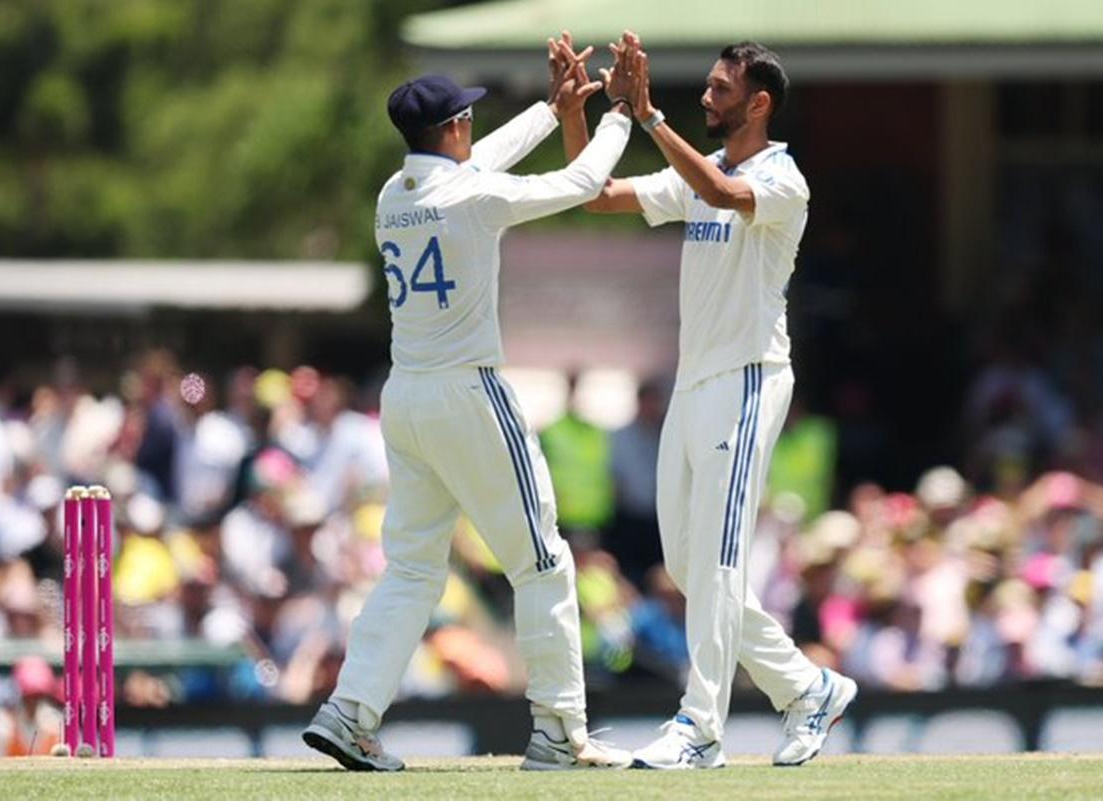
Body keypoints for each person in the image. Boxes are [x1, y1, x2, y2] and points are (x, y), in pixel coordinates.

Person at [301, 37, 641, 772]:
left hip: (405, 396)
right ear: (454, 128)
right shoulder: (474, 196)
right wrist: (619, 114)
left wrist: (553, 111)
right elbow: (583, 184)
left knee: (412, 569)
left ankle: (349, 710)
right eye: (467, 122)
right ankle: (557, 729)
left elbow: (481, 161)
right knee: (545, 559)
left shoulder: (396, 196)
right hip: (468, 392)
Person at [568, 34, 856, 768]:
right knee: (693, 571)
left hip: (748, 377)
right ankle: (808, 687)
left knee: (722, 565)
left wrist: (651, 116)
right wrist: (583, 113)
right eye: (706, 86)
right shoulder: (701, 171)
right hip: (692, 385)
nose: (706, 98)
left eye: (720, 89)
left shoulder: (780, 177)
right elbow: (596, 196)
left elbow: (724, 196)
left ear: (758, 102)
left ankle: (701, 727)